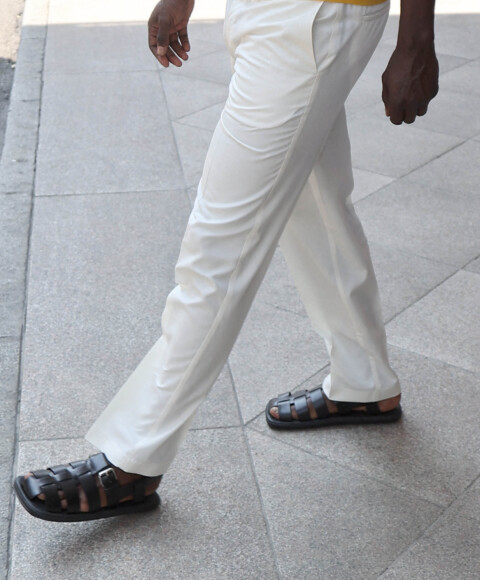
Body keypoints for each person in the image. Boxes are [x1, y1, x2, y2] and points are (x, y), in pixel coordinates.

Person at [14, 0, 438, 522]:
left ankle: (132, 457)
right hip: (272, 17)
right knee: (314, 202)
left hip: (316, 19)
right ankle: (364, 379)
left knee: (219, 246)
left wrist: (417, 37)